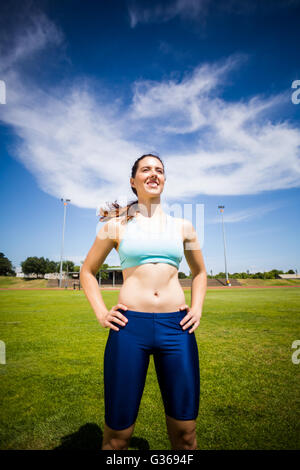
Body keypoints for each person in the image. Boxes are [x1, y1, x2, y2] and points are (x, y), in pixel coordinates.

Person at [80, 153, 207, 450]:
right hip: (129, 329)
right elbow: (87, 271)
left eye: (159, 170)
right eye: (146, 169)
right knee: (116, 439)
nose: (153, 174)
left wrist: (197, 307)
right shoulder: (116, 226)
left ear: (164, 180)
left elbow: (200, 273)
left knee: (186, 435)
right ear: (133, 181)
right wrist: (101, 312)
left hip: (177, 329)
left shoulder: (184, 227)